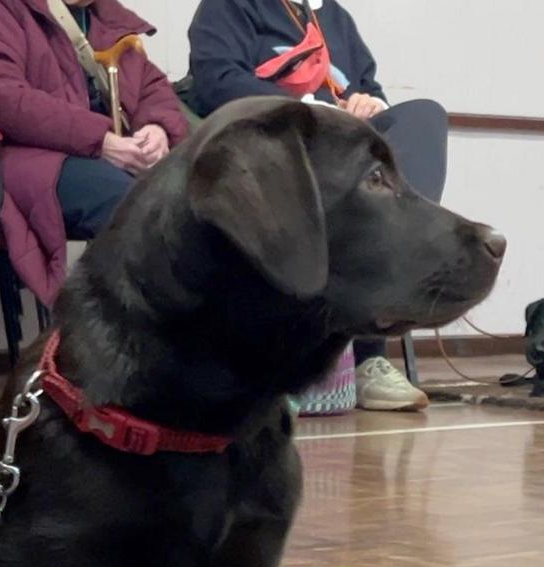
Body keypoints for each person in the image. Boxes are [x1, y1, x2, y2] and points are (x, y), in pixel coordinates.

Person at [188, 0, 449, 412]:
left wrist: (369, 103)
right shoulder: (231, 5)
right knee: (361, 201)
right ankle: (300, 356)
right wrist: (307, 106)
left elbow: (367, 87)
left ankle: (368, 357)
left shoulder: (335, 17)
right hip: (283, 155)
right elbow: (215, 80)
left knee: (424, 116)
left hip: (350, 163)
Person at [0, 0, 188, 305]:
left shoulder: (104, 15)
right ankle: (131, 334)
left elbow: (151, 84)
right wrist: (98, 140)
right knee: (127, 201)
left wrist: (157, 129)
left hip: (83, 155)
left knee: (183, 196)